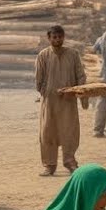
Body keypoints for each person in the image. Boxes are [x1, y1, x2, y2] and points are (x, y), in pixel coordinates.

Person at [35, 24, 87, 176]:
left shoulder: (73, 54)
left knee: (69, 131)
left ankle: (70, 161)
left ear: (63, 37)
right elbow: (38, 80)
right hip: (50, 102)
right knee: (47, 132)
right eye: (54, 37)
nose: (57, 40)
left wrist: (79, 92)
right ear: (49, 38)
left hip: (68, 102)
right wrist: (47, 92)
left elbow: (80, 75)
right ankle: (49, 165)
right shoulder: (43, 56)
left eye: (60, 37)